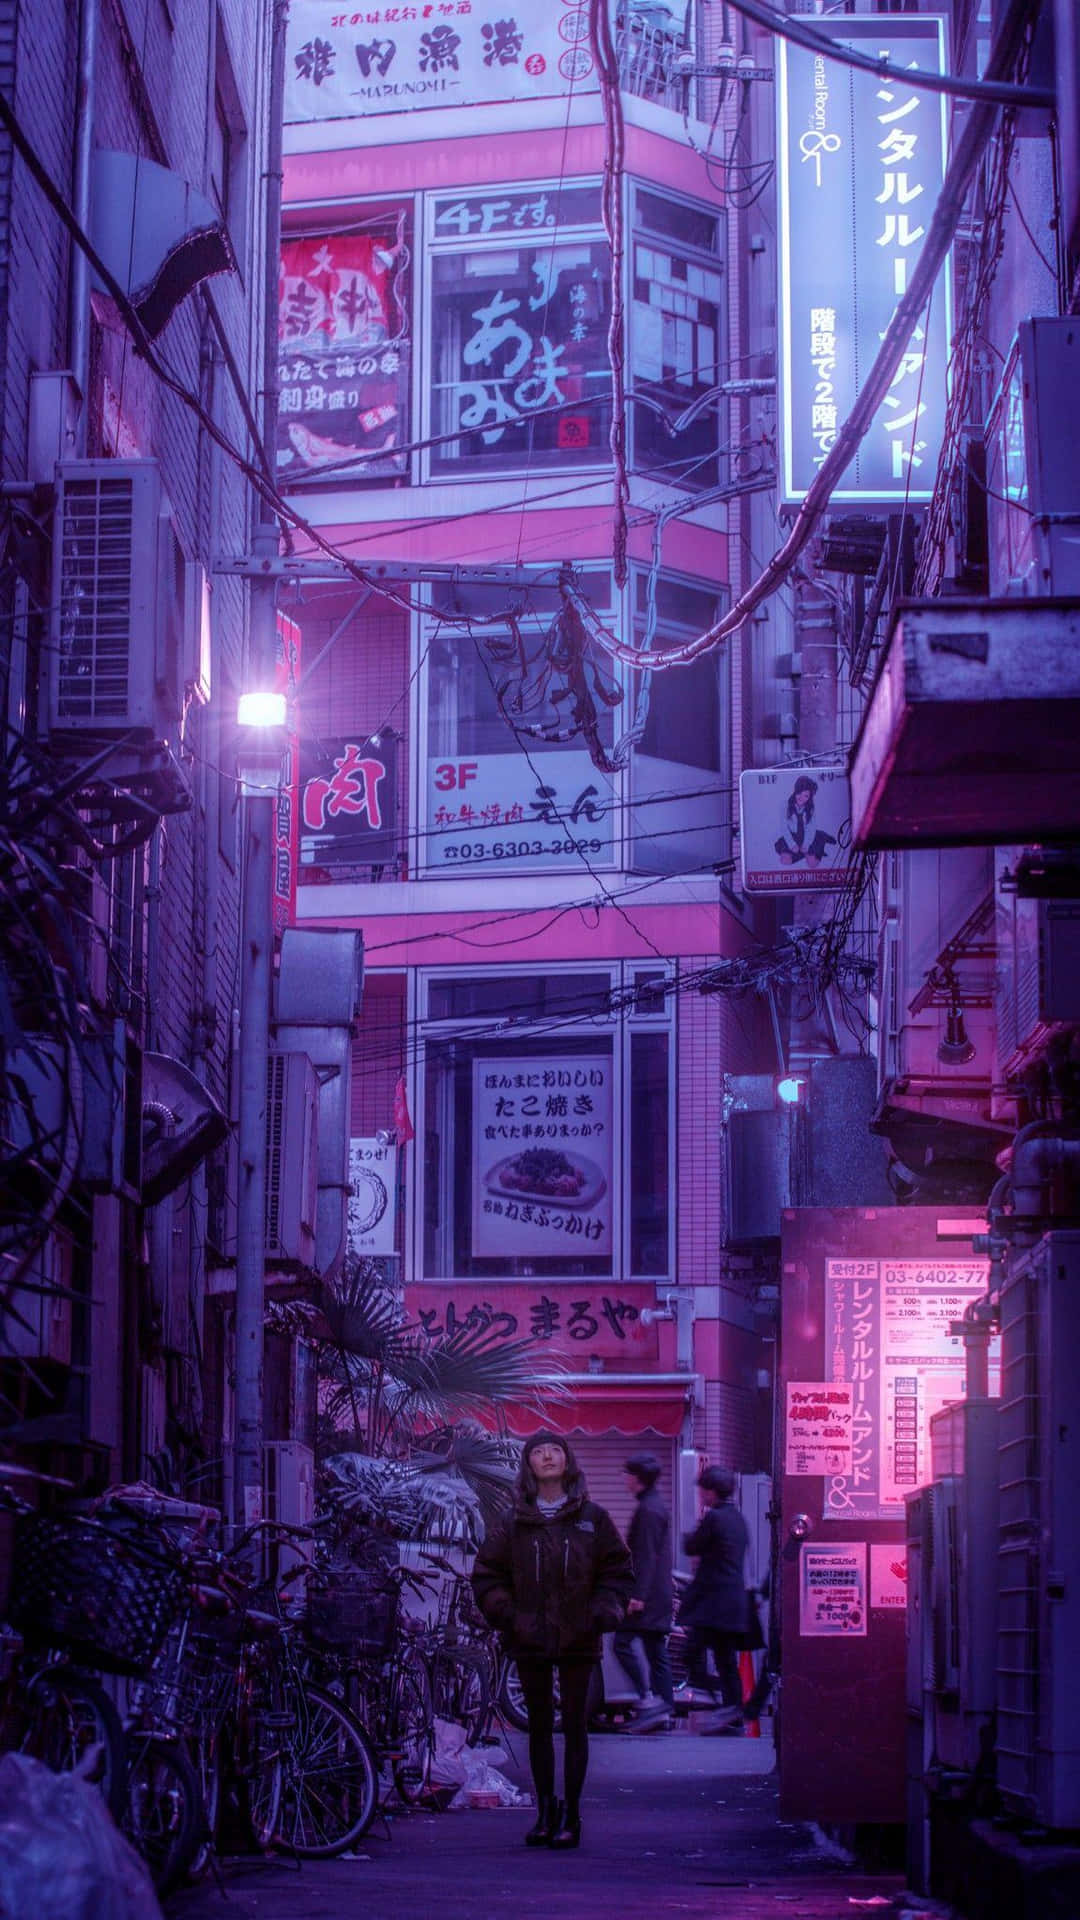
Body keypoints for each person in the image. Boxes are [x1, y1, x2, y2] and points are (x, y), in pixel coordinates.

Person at [471, 1431, 633, 1849]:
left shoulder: (592, 1518)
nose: (547, 1457)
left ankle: (572, 1817)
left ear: (568, 1461)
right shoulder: (512, 1521)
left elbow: (617, 1569)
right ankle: (544, 1812)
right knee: (539, 1727)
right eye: (538, 1452)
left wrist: (601, 1611)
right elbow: (488, 1574)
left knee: (576, 1726)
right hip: (530, 1637)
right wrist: (510, 1613)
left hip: (579, 1636)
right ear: (528, 1465)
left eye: (554, 1451)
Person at [679, 1465, 751, 1735]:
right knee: (725, 1661)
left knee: (691, 1655)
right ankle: (732, 1712)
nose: (701, 1495)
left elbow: (691, 1546)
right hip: (733, 1602)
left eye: (703, 1490)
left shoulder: (714, 1518)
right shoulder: (737, 1518)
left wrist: (691, 1532)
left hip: (713, 1604)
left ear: (711, 1492)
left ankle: (728, 1708)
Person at [614, 1452, 674, 1731]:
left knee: (622, 1643)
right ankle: (663, 1707)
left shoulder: (649, 1510)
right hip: (657, 1593)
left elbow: (646, 1556)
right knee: (655, 1650)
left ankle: (649, 1699)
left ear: (637, 1478)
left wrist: (637, 1596)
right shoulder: (654, 1505)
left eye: (627, 1473)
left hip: (647, 1596)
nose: (624, 1478)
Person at [774, 774, 837, 868]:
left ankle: (821, 838)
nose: (801, 798)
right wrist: (792, 845)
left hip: (807, 835)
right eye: (799, 793)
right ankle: (812, 846)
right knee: (785, 860)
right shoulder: (785, 805)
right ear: (795, 791)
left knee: (812, 864)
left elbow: (811, 827)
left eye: (806, 796)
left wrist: (806, 844)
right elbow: (784, 828)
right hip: (793, 836)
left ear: (809, 797)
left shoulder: (810, 808)